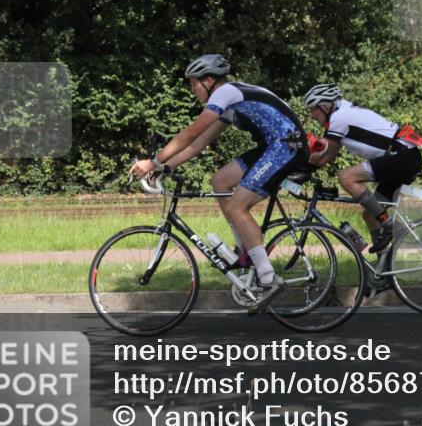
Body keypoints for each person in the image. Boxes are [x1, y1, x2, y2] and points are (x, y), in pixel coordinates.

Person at [130, 54, 307, 308]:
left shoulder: (225, 93)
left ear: (209, 80)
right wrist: (163, 168)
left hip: (285, 146)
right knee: (220, 181)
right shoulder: (230, 102)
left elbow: (191, 133)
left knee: (237, 206)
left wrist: (153, 160)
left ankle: (269, 278)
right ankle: (244, 250)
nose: (192, 90)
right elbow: (198, 144)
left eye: (194, 83)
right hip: (272, 146)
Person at [303, 83, 422, 255]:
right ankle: (384, 268)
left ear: (324, 106)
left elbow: (322, 155)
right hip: (405, 156)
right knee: (370, 216)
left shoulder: (339, 118)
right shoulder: (343, 112)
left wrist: (300, 159)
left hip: (401, 157)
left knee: (346, 177)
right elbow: (326, 156)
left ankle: (389, 224)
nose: (312, 116)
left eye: (312, 110)